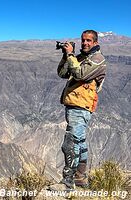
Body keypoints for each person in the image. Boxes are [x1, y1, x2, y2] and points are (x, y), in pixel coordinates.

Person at [57, 30, 106, 189]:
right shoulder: (81, 58)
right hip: (73, 105)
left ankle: (68, 182)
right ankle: (80, 178)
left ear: (95, 43)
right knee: (80, 142)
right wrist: (66, 55)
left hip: (81, 107)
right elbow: (63, 73)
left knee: (70, 142)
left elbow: (79, 75)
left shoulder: (98, 59)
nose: (85, 43)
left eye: (88, 41)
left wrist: (71, 55)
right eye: (83, 40)